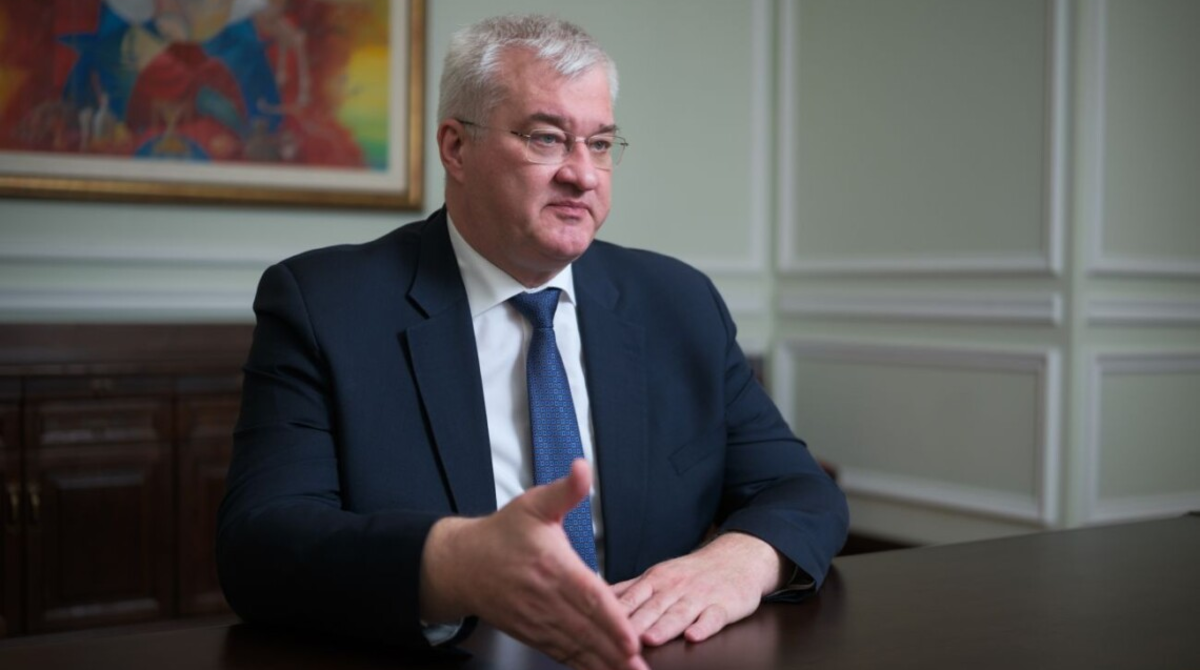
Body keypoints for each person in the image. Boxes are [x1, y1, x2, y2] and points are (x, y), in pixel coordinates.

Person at [216, 14, 848, 670]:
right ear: (456, 148)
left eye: (600, 144)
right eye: (547, 138)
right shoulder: (325, 304)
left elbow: (800, 489)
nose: (584, 175)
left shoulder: (678, 303)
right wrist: (455, 566)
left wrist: (738, 562)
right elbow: (259, 546)